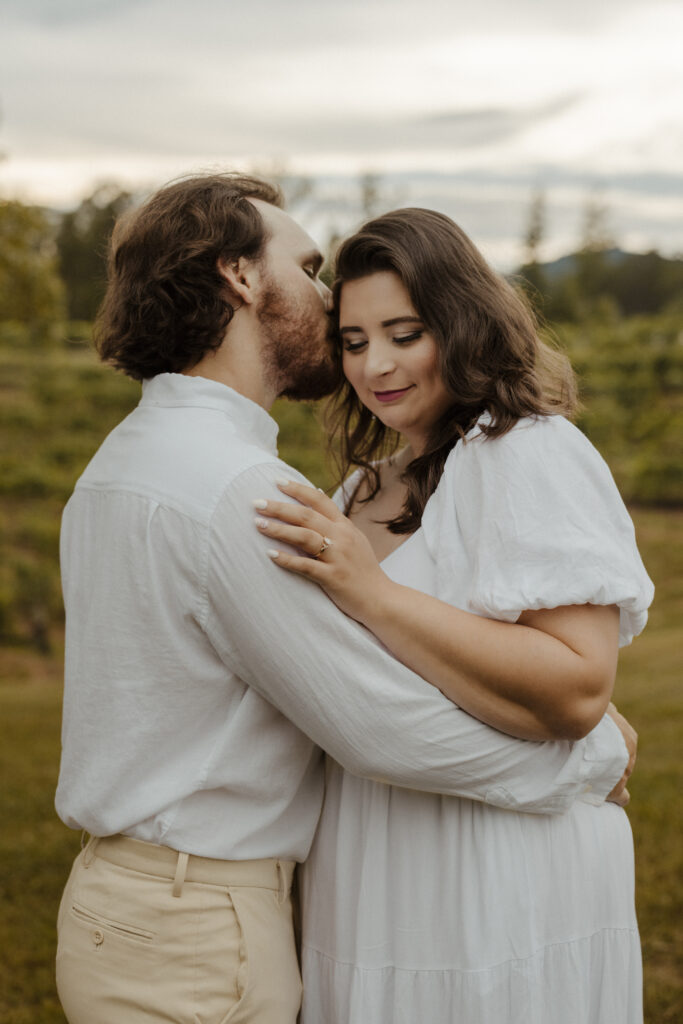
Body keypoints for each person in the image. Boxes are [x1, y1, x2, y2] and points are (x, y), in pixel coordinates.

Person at [55, 175, 636, 1024]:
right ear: (242, 278)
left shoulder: (126, 463)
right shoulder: (261, 491)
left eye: (403, 333)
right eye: (313, 272)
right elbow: (375, 723)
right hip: (243, 910)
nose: (355, 345)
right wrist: (589, 760)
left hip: (461, 874)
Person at [257, 207, 654, 1023]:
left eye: (404, 333)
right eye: (355, 341)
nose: (376, 365)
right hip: (371, 852)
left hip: (500, 864)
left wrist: (374, 595)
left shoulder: (525, 452)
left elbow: (577, 692)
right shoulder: (359, 491)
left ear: (462, 322)